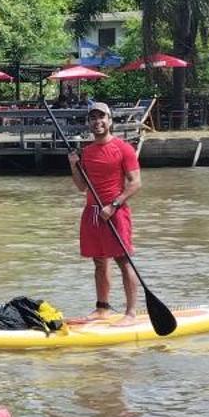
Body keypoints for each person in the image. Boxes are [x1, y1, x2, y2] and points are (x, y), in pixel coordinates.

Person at [70, 99, 143, 323]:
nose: (97, 121)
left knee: (123, 261)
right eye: (93, 118)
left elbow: (135, 183)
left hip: (115, 212)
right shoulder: (87, 151)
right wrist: (73, 164)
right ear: (89, 123)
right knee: (99, 262)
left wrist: (114, 205)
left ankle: (131, 313)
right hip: (92, 213)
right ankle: (102, 308)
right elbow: (82, 186)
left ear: (109, 121)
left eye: (101, 117)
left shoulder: (123, 148)